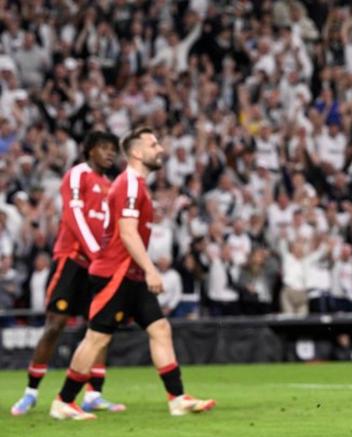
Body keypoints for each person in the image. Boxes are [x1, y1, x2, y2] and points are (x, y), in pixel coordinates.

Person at [49, 128, 215, 421]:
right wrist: (151, 270)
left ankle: (177, 398)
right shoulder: (130, 184)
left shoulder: (135, 184)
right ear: (137, 152)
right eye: (154, 144)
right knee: (97, 339)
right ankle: (63, 401)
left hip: (130, 273)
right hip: (116, 272)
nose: (160, 148)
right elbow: (127, 232)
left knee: (160, 329)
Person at [10, 131, 125, 416]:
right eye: (103, 148)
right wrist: (96, 251)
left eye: (113, 150)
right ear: (89, 150)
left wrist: (108, 258)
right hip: (72, 260)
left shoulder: (110, 186)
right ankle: (31, 392)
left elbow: (111, 227)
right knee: (55, 324)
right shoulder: (78, 175)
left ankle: (94, 394)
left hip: (96, 265)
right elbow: (73, 216)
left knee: (98, 329)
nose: (110, 154)